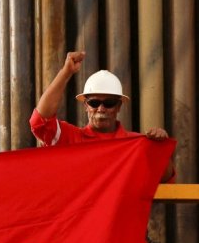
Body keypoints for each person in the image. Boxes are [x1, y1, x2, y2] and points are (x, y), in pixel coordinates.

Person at [29, 50, 174, 182]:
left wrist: (159, 149)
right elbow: (40, 121)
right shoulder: (70, 139)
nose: (101, 108)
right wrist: (65, 72)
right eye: (94, 102)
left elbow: (165, 178)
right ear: (86, 106)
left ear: (118, 106)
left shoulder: (135, 145)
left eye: (109, 103)